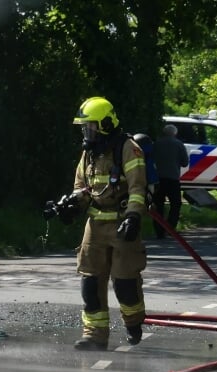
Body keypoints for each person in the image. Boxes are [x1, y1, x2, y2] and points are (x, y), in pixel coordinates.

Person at [68, 96, 148, 350]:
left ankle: (133, 323)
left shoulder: (128, 148)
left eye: (89, 126)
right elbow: (82, 186)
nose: (86, 132)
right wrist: (70, 205)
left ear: (104, 124)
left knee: (125, 283)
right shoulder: (88, 152)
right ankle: (94, 335)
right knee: (90, 283)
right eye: (84, 127)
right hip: (95, 225)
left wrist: (134, 216)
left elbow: (138, 188)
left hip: (122, 223)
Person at [151, 124, 189, 239]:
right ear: (175, 133)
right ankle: (170, 227)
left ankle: (159, 230)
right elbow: (184, 162)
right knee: (176, 204)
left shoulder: (156, 144)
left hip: (158, 179)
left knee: (158, 205)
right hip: (173, 178)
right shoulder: (178, 144)